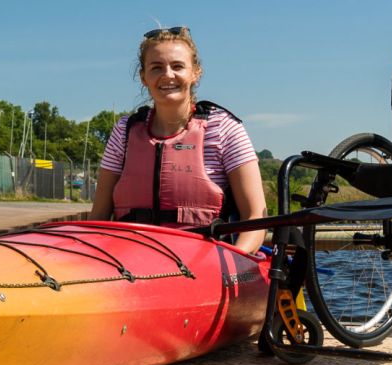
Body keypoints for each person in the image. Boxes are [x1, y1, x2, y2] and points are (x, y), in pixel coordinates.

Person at [89, 26, 266, 254]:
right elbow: (99, 216)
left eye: (178, 66)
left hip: (203, 265)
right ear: (143, 77)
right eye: (156, 67)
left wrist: (233, 264)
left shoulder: (224, 128)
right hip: (128, 264)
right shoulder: (124, 131)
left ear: (196, 72)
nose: (168, 75)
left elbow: (255, 219)